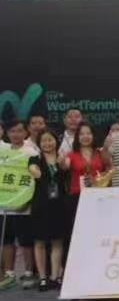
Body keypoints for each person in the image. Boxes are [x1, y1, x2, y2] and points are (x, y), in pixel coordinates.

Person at [0, 120, 39, 290]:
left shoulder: (32, 152)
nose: (16, 134)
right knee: (6, 239)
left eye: (19, 131)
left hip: (24, 204)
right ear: (7, 133)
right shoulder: (2, 150)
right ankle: (9, 273)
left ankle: (29, 272)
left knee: (26, 240)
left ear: (25, 133)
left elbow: (35, 179)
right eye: (12, 131)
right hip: (4, 202)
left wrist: (26, 201)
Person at [27, 129, 67, 291]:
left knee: (57, 241)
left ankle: (55, 276)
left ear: (56, 141)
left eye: (50, 140)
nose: (47, 143)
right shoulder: (34, 159)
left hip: (58, 205)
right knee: (40, 242)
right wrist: (35, 170)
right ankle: (43, 277)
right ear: (39, 143)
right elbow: (35, 172)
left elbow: (66, 169)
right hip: (40, 205)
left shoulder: (62, 158)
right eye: (44, 140)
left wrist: (61, 163)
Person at [59, 122, 107, 258]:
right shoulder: (72, 154)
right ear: (77, 137)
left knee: (97, 229)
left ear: (93, 135)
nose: (85, 136)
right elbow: (65, 166)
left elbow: (108, 171)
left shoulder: (100, 153)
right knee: (78, 230)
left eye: (88, 133)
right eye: (82, 134)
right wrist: (61, 161)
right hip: (77, 198)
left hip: (98, 198)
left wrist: (99, 178)